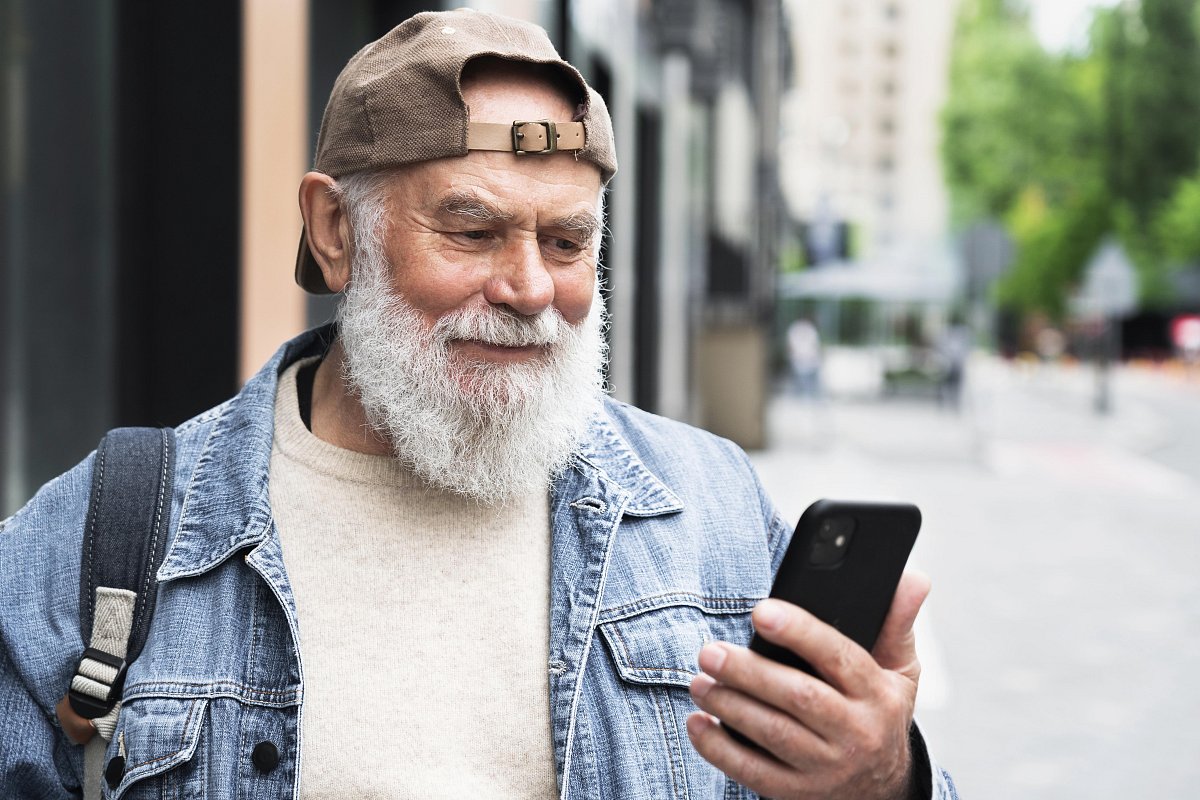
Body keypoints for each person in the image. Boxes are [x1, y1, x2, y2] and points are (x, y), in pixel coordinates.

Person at [0, 10, 957, 799]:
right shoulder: (104, 537)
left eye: (568, 243)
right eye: (472, 228)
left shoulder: (713, 514)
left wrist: (886, 778)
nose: (530, 287)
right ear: (336, 232)